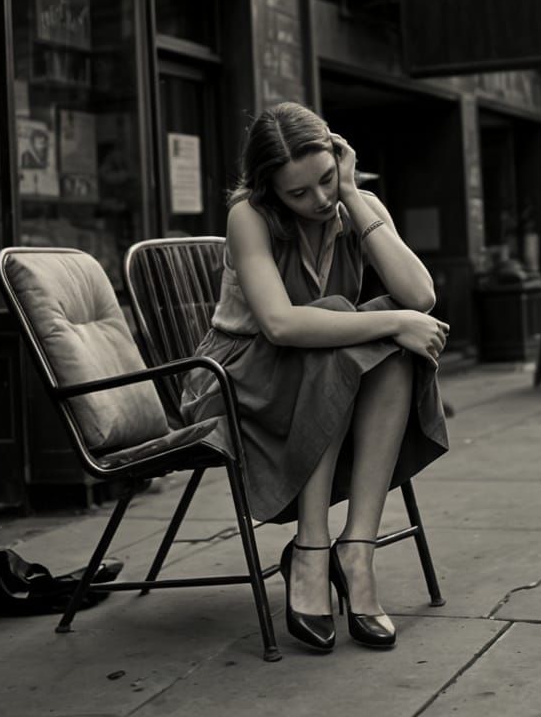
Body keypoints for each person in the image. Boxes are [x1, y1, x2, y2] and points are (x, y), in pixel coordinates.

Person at [180, 102, 449, 653]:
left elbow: (422, 295)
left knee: (383, 348)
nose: (319, 200)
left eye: (326, 179)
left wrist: (354, 194)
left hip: (319, 372)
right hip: (233, 382)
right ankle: (310, 549)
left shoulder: (352, 204)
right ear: (269, 189)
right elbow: (280, 326)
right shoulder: (248, 216)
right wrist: (396, 320)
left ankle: (356, 550)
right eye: (298, 193)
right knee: (347, 320)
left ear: (339, 158)